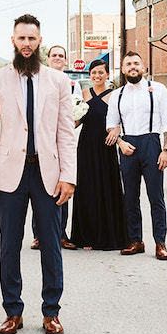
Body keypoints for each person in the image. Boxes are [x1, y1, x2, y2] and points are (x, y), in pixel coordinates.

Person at [0, 14, 77, 334]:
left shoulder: (58, 81)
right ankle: (12, 311)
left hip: (47, 172)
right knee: (9, 245)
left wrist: (69, 176)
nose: (27, 44)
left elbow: (66, 132)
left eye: (32, 39)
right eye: (22, 39)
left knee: (51, 245)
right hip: (9, 175)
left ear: (40, 41)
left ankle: (51, 313)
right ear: (13, 40)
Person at [108, 51, 167, 260]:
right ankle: (135, 240)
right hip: (128, 145)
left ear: (143, 67)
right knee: (130, 197)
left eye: (136, 63)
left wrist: (166, 150)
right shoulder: (118, 95)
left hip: (151, 143)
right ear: (123, 69)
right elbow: (111, 126)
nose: (133, 67)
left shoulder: (158, 90)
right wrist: (120, 143)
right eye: (128, 64)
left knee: (156, 196)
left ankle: (160, 242)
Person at [69, 58, 128, 250]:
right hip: (86, 146)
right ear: (89, 75)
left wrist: (117, 130)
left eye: (100, 73)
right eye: (93, 73)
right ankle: (85, 236)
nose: (97, 76)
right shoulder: (84, 94)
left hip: (105, 146)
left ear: (108, 75)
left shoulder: (115, 95)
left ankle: (106, 236)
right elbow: (77, 122)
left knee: (106, 187)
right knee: (86, 189)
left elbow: (122, 120)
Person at [30, 45, 78, 251]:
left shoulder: (73, 84)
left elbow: (74, 111)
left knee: (62, 190)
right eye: (54, 55)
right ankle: (38, 235)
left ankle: (61, 233)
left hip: (63, 145)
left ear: (66, 60)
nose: (58, 58)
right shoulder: (38, 81)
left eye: (61, 56)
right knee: (38, 190)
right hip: (42, 145)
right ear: (47, 59)